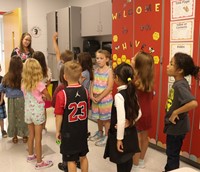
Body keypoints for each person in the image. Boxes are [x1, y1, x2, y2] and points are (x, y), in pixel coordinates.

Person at [163, 52, 198, 172]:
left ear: (180, 70)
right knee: (171, 152)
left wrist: (175, 112)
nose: (167, 66)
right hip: (175, 127)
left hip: (177, 127)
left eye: (171, 64)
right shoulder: (178, 83)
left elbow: (193, 103)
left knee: (172, 154)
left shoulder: (180, 85)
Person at [104, 62, 140, 172]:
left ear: (117, 78)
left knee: (121, 164)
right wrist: (131, 122)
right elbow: (139, 112)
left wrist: (119, 139)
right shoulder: (132, 92)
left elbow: (120, 120)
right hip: (131, 132)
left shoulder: (119, 96)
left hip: (121, 135)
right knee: (128, 158)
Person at [55, 61, 89, 172]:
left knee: (71, 161)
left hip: (68, 133)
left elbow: (59, 116)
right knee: (83, 157)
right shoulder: (86, 91)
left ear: (64, 77)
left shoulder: (62, 94)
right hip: (82, 131)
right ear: (80, 75)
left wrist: (57, 131)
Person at [21, 58, 53, 170]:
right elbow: (49, 98)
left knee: (31, 135)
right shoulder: (40, 84)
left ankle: (30, 155)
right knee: (38, 138)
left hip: (28, 112)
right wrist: (44, 96)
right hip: (38, 114)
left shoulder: (23, 84)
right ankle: (39, 162)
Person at [131, 51, 154, 170]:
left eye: (134, 58)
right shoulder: (148, 80)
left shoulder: (134, 81)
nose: (131, 58)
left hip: (137, 114)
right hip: (147, 113)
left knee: (136, 140)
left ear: (138, 65)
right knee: (144, 138)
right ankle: (140, 161)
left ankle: (135, 164)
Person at [0, 56, 28, 143]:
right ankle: (24, 135)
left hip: (11, 100)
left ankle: (14, 136)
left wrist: (1, 99)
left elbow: (1, 88)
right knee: (23, 117)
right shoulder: (23, 75)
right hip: (22, 99)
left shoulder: (7, 76)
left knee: (12, 118)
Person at [89, 49, 114, 147]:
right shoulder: (95, 70)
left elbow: (109, 87)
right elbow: (92, 83)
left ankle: (107, 136)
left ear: (107, 59)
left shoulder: (109, 71)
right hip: (95, 99)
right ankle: (100, 132)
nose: (98, 60)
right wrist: (91, 94)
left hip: (105, 100)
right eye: (97, 58)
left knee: (106, 119)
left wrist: (100, 97)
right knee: (98, 117)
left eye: (101, 58)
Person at [32, 51, 52, 134]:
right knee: (43, 110)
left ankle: (34, 127)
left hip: (33, 93)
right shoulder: (47, 69)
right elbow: (49, 81)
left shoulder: (32, 69)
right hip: (43, 93)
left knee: (33, 110)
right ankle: (43, 127)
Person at [0, 64, 7, 138]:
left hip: (0, 102)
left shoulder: (2, 79)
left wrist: (1, 100)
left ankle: (3, 130)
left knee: (1, 117)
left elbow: (2, 91)